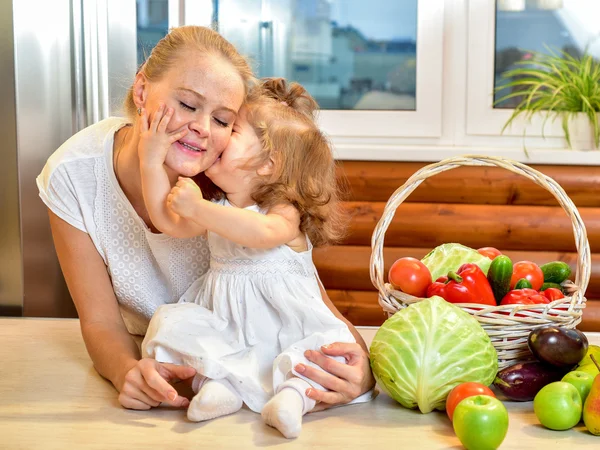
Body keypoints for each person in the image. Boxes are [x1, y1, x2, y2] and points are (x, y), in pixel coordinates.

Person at [36, 26, 374, 413]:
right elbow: (100, 322)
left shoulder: (234, 183)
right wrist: (126, 371)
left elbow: (306, 301)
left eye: (222, 119)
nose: (201, 129)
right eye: (188, 104)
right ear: (142, 90)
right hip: (179, 389)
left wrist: (361, 371)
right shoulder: (75, 173)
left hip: (260, 386)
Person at [138, 78, 374, 438]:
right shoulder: (216, 207)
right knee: (176, 325)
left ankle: (294, 397)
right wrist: (150, 160)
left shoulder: (283, 213)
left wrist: (198, 208)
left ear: (268, 164)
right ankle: (221, 387)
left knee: (324, 350)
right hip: (231, 326)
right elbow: (167, 221)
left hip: (287, 328)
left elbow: (261, 235)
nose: (219, 136)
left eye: (232, 130)